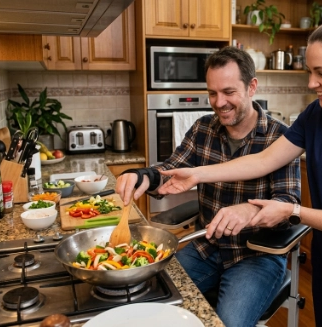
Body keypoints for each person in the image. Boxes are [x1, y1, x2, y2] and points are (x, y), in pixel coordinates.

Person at [157, 17, 322, 327]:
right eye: (310, 72)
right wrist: (197, 175)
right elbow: (264, 160)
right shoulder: (318, 114)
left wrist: (291, 210)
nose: (311, 83)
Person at [115, 46, 301, 327]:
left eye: (228, 92)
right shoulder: (203, 128)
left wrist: (248, 212)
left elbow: (287, 203)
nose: (219, 102)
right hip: (206, 246)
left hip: (256, 256)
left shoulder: (280, 137)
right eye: (212, 93)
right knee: (147, 303)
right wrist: (142, 176)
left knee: (227, 322)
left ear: (252, 87)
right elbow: (171, 171)